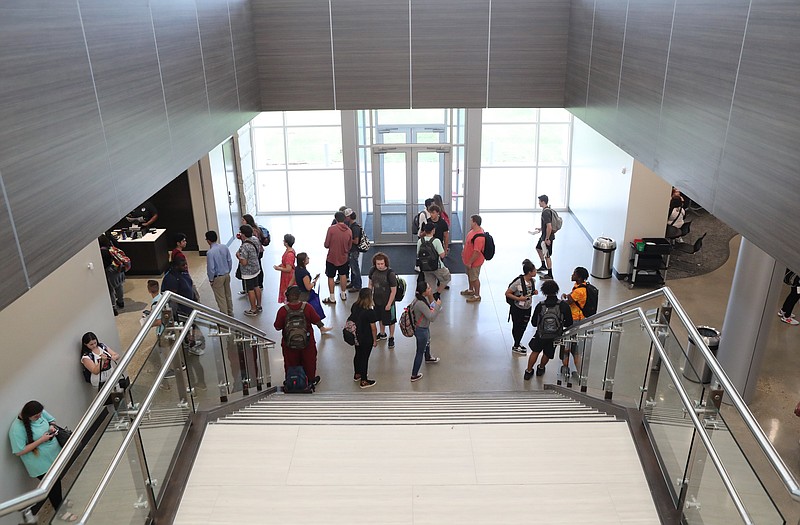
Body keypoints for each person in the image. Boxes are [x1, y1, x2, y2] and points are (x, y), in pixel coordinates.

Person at [9, 401, 77, 522]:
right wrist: (41, 440)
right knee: (53, 488)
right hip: (40, 465)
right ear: (28, 415)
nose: (40, 417)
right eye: (36, 417)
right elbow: (19, 451)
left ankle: (61, 501)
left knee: (57, 482)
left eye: (40, 415)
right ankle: (60, 512)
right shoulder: (16, 429)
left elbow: (52, 420)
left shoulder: (39, 413)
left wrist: (51, 426)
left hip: (53, 457)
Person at [273, 285, 324, 388]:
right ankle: (310, 381)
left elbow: (277, 327)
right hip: (307, 342)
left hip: (289, 343)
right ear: (299, 296)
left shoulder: (283, 310)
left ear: (287, 297)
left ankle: (292, 380)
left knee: (290, 362)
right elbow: (317, 321)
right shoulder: (307, 307)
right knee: (309, 361)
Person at [523, 279, 573, 380]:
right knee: (547, 353)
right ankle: (541, 368)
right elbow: (569, 323)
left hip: (541, 334)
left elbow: (533, 323)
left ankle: (528, 371)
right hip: (555, 335)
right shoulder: (563, 305)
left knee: (535, 351)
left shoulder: (540, 305)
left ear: (544, 291)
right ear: (556, 290)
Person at [409, 280, 442, 382]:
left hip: (423, 328)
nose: (430, 289)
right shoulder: (420, 304)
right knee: (419, 351)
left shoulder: (419, 299)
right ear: (424, 292)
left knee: (427, 341)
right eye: (428, 288)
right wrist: (438, 305)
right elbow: (431, 317)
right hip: (421, 330)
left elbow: (430, 307)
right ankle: (414, 375)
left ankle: (428, 357)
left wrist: (431, 297)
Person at [560, 267, 590, 377]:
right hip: (578, 318)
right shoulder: (582, 286)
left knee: (569, 343)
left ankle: (568, 368)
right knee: (572, 343)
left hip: (574, 319)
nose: (572, 275)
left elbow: (568, 302)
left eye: (574, 274)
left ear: (579, 277)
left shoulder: (579, 291)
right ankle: (574, 369)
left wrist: (562, 299)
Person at [505, 259, 538, 355]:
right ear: (529, 272)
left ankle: (518, 342)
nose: (536, 272)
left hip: (527, 308)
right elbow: (507, 293)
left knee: (523, 326)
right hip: (517, 308)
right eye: (534, 270)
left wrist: (533, 293)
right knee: (517, 326)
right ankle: (516, 344)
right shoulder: (518, 282)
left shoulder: (532, 281)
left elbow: (528, 293)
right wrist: (519, 299)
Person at [368, 252, 398, 349]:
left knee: (391, 320)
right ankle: (382, 333)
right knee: (380, 318)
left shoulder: (390, 274)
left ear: (385, 263)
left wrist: (389, 303)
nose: (380, 266)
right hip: (377, 300)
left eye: (382, 263)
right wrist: (370, 298)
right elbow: (370, 285)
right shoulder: (372, 271)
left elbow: (393, 290)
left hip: (388, 301)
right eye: (378, 264)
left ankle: (391, 337)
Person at [350, 288, 379, 388]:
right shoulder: (370, 312)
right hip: (366, 338)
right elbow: (373, 328)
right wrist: (375, 340)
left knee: (357, 354)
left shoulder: (354, 306)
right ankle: (364, 380)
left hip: (356, 336)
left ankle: (357, 373)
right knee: (364, 358)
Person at [323, 211, 352, 304]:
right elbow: (349, 246)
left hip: (331, 257)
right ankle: (343, 294)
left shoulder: (331, 229)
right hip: (343, 257)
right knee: (343, 275)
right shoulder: (349, 231)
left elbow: (326, 244)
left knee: (330, 276)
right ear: (345, 219)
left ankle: (332, 297)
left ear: (335, 219)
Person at [417, 222, 452, 300]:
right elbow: (442, 255)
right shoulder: (436, 241)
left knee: (430, 287)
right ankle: (437, 293)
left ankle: (432, 306)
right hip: (437, 267)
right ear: (433, 230)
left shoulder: (420, 241)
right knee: (447, 277)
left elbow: (418, 253)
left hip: (425, 267)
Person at [236, 224, 262, 316]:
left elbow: (244, 262)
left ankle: (253, 309)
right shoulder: (255, 239)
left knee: (250, 289)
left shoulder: (245, 246)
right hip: (256, 267)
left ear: (243, 234)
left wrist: (238, 256)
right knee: (256, 286)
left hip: (248, 272)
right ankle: (259, 305)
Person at [206, 230, 233, 317]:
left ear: (208, 241)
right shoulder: (224, 247)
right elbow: (229, 260)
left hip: (217, 277)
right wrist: (228, 271)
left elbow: (211, 268)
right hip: (226, 274)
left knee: (221, 298)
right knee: (228, 295)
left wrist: (211, 279)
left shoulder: (210, 253)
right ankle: (230, 313)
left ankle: (225, 317)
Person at [461, 214, 486, 302]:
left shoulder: (479, 237)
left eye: (471, 221)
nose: (470, 222)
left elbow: (476, 252)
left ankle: (477, 295)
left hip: (474, 262)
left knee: (474, 278)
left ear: (475, 223)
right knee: (470, 276)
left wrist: (470, 262)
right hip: (468, 260)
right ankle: (471, 290)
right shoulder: (472, 231)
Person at [98, 234, 125, 316]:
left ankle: (113, 308)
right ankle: (121, 301)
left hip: (109, 272)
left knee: (111, 290)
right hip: (118, 269)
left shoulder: (102, 252)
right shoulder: (112, 248)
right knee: (119, 286)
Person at [241, 214, 267, 291]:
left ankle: (256, 284)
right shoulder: (256, 228)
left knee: (256, 267)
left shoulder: (252, 231)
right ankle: (259, 284)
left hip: (254, 251)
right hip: (259, 250)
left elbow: (249, 242)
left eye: (243, 220)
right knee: (259, 266)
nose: (242, 221)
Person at [532, 194, 555, 279]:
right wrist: (541, 229)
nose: (538, 203)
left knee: (547, 255)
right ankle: (543, 265)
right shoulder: (547, 210)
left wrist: (547, 239)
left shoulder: (546, 212)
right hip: (544, 236)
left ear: (543, 202)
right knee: (538, 248)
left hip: (547, 238)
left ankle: (550, 274)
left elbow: (549, 227)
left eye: (539, 201)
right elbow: (546, 225)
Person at [273, 234, 297, 303]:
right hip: (286, 276)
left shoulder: (289, 254)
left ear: (286, 242)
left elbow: (288, 269)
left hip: (288, 277)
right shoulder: (290, 251)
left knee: (288, 291)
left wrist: (279, 268)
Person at [345, 209, 364, 292]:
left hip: (354, 250)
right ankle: (353, 283)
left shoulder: (355, 227)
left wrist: (347, 239)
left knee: (355, 268)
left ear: (349, 217)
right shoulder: (351, 225)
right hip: (352, 250)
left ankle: (357, 285)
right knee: (352, 267)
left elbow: (356, 241)